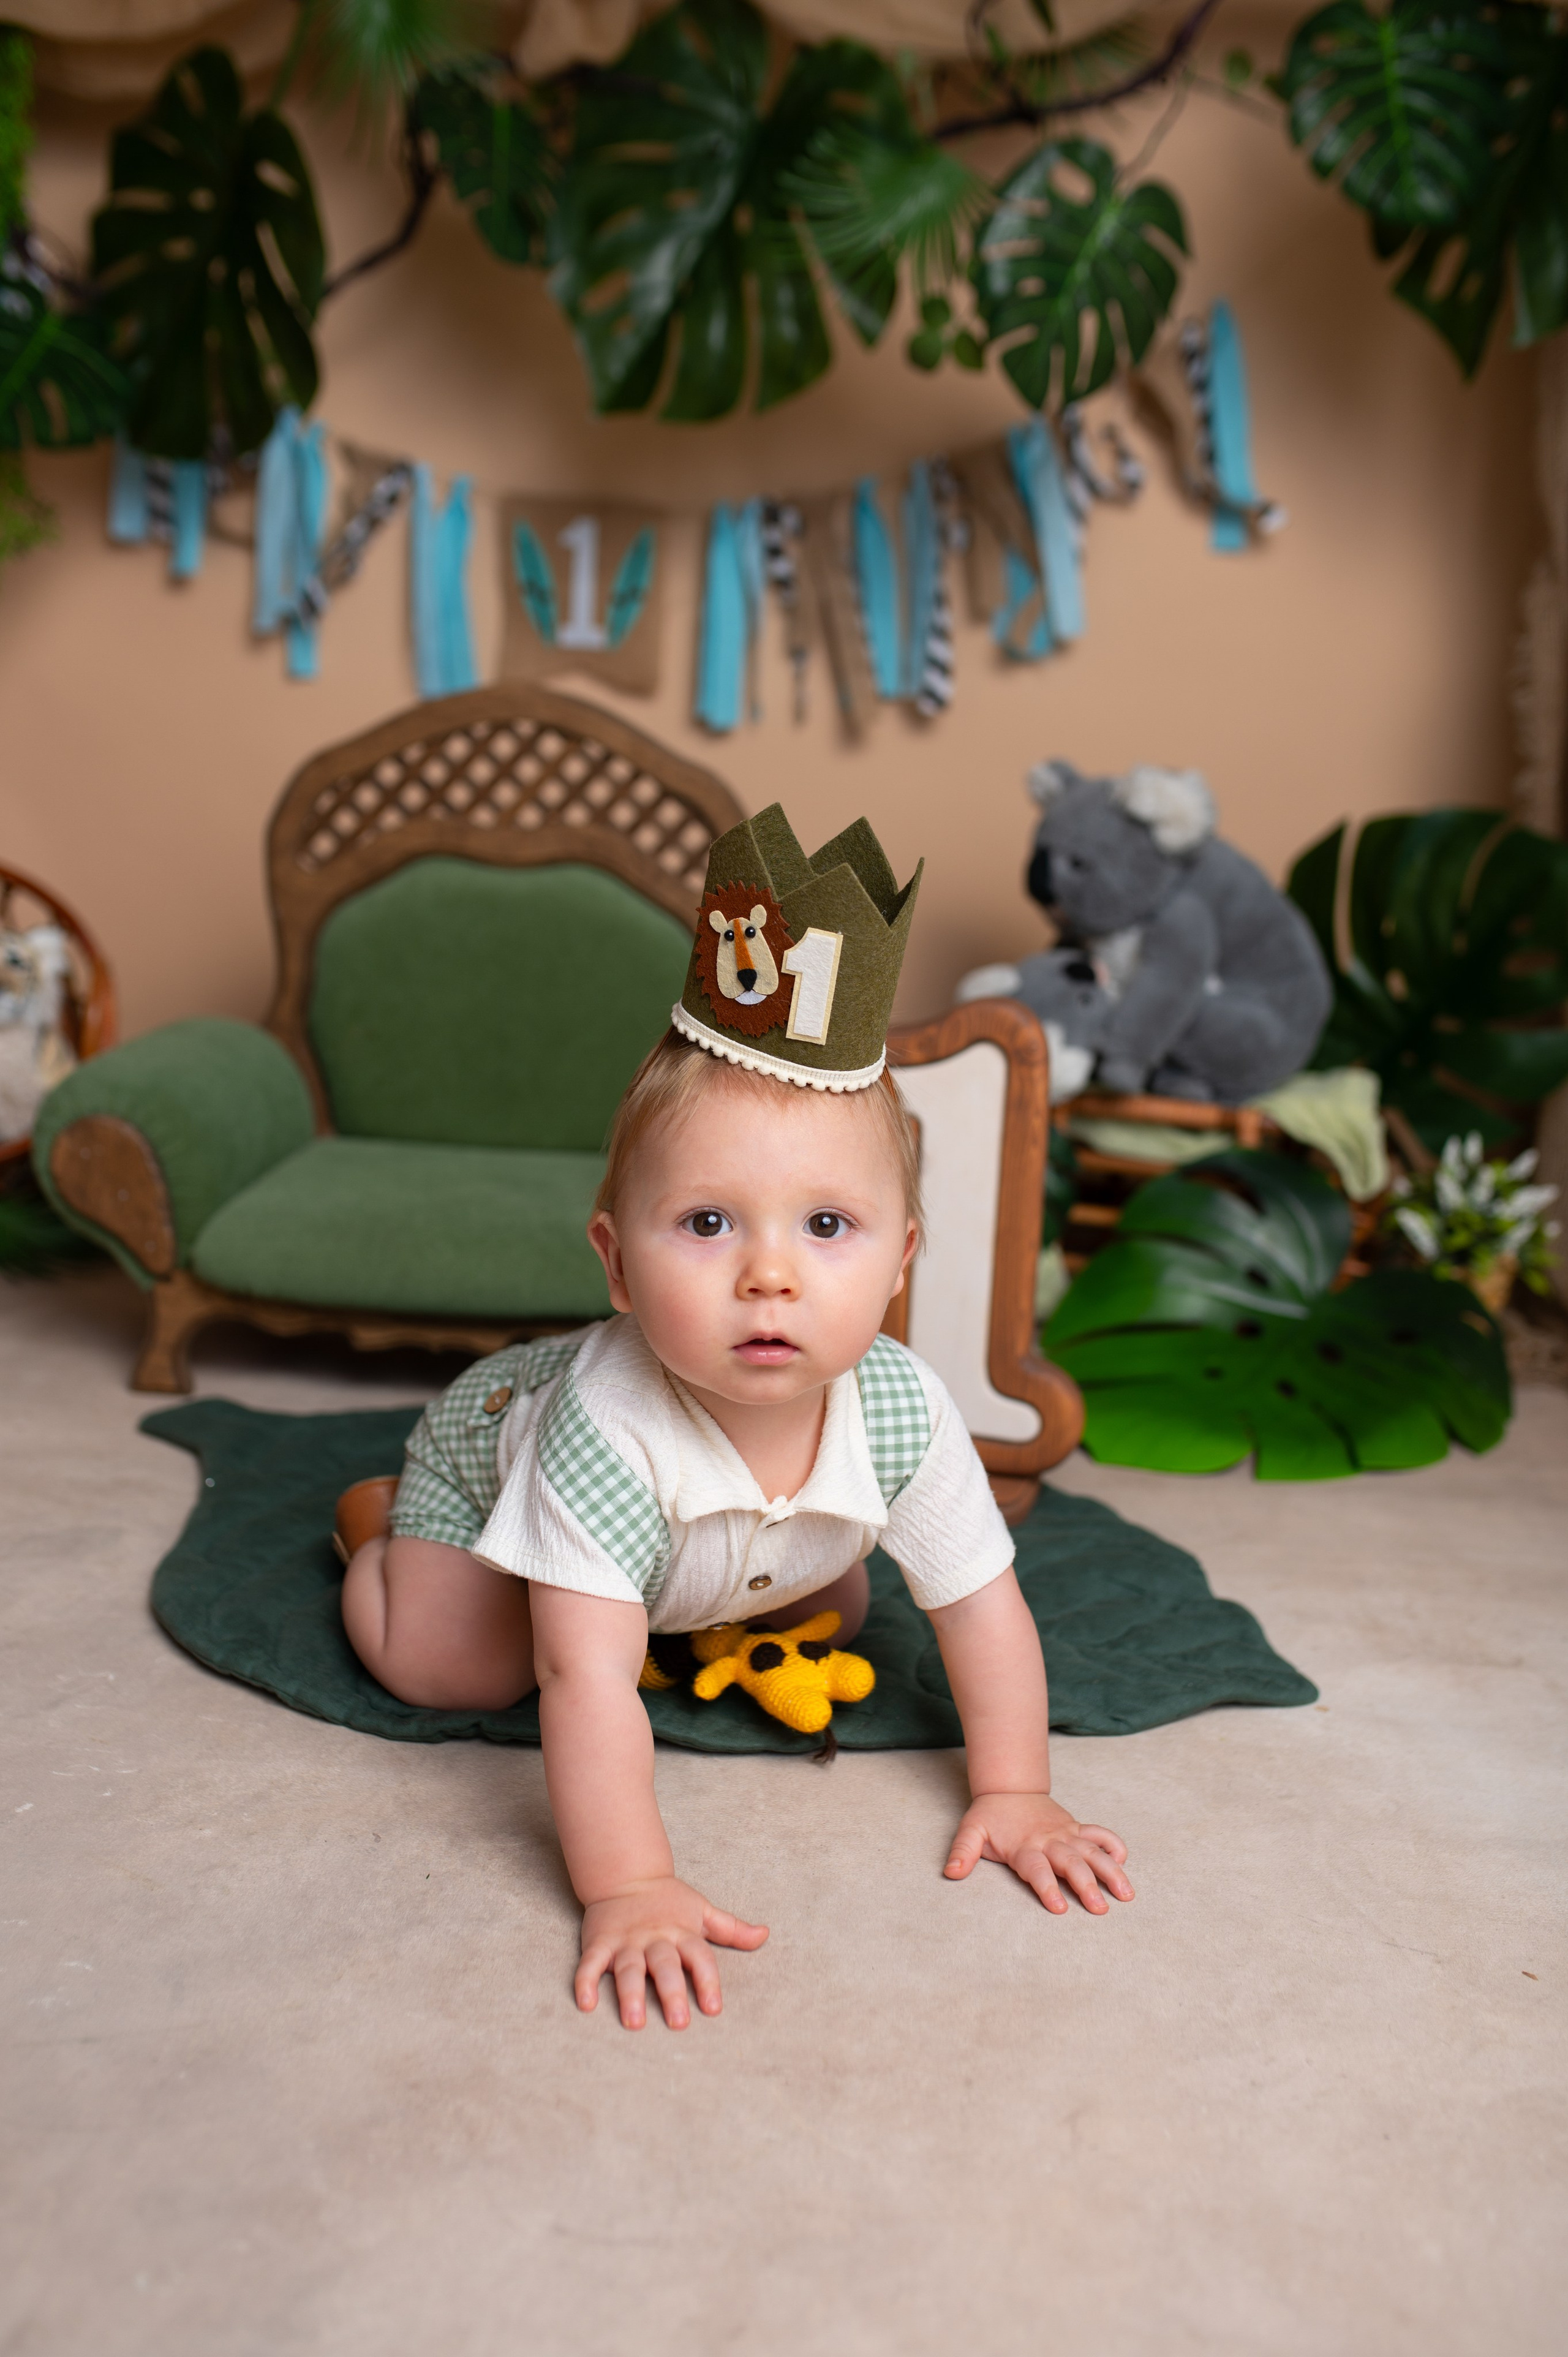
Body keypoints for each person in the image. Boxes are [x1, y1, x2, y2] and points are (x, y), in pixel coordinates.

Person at [339, 804, 1133, 2030]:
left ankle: (690, 1590)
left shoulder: (901, 1411)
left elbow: (982, 1605)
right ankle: (379, 1532)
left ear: (899, 1260)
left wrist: (1017, 1789)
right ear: (613, 1261)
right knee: (460, 1664)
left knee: (847, 1594)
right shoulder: (601, 1427)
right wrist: (632, 1880)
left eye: (826, 1227)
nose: (769, 1276)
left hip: (712, 1546)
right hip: (487, 1459)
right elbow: (581, 1680)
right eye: (706, 1223)